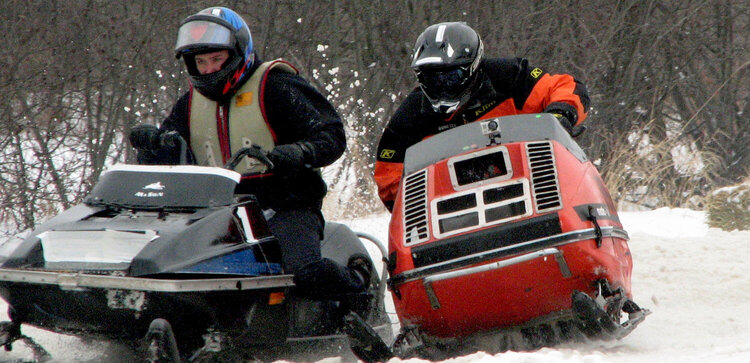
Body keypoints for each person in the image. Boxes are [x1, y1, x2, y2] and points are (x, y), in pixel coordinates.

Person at [128, 7, 370, 311]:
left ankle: (357, 286)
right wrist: (152, 146)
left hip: (286, 205)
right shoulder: (190, 104)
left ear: (238, 54)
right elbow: (169, 160)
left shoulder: (276, 86)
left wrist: (298, 152)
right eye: (200, 62)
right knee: (164, 265)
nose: (207, 70)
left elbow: (331, 135)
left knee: (304, 270)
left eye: (216, 60)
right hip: (219, 212)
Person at [374, 22, 591, 211]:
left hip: (531, 188)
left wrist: (561, 114)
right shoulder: (409, 118)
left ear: (472, 67)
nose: (442, 86)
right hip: (456, 209)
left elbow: (565, 86)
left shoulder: (509, 78)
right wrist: (425, 191)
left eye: (451, 77)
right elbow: (389, 182)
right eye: (431, 79)